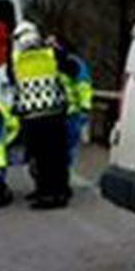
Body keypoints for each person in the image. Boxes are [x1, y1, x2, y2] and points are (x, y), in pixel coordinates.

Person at [12, 21, 70, 209]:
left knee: (40, 157)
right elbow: (71, 67)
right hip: (54, 113)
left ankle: (46, 193)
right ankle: (59, 191)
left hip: (32, 117)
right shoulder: (52, 54)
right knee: (55, 156)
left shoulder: (16, 60)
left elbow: (12, 79)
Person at [52, 36, 93, 174]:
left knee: (67, 148)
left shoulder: (73, 63)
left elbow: (83, 86)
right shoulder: (50, 63)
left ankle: (63, 175)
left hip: (71, 113)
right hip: (56, 113)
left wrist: (84, 108)